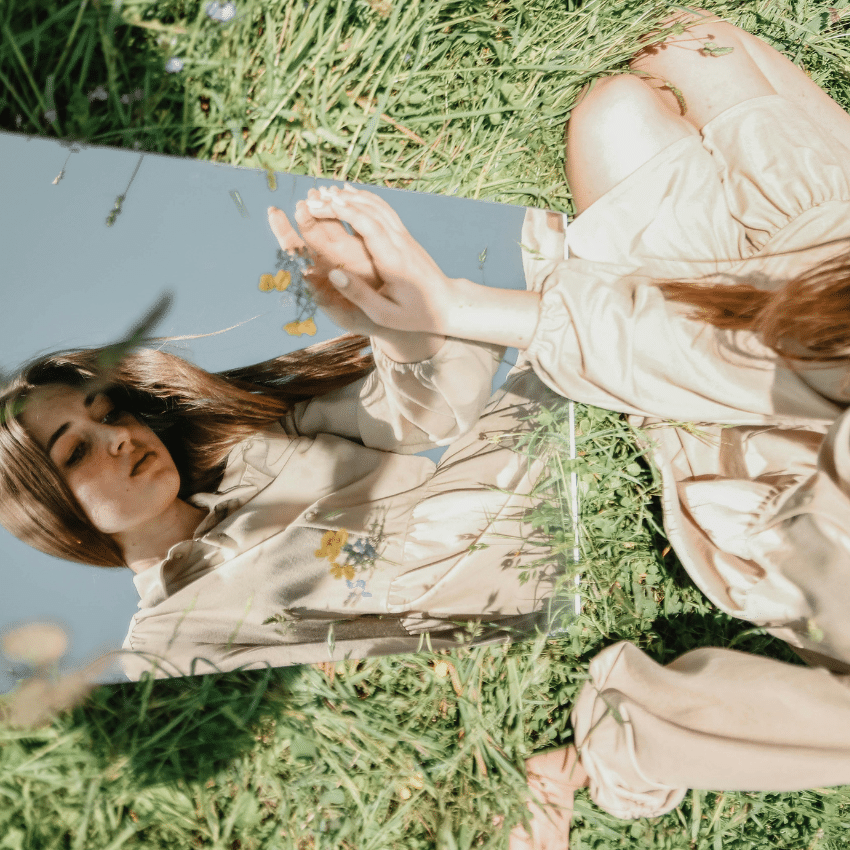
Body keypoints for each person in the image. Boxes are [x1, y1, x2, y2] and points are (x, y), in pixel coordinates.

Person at [288, 8, 850, 849]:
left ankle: (618, 752)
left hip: (758, 418)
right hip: (819, 273)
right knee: (675, 52)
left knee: (623, 111)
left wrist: (459, 309)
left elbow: (716, 357)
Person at [0, 182, 576, 683]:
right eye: (77, 451)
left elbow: (426, 413)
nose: (118, 436)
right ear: (49, 514)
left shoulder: (260, 446)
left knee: (572, 221)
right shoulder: (163, 642)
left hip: (530, 482)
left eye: (108, 414)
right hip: (522, 618)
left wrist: (393, 324)